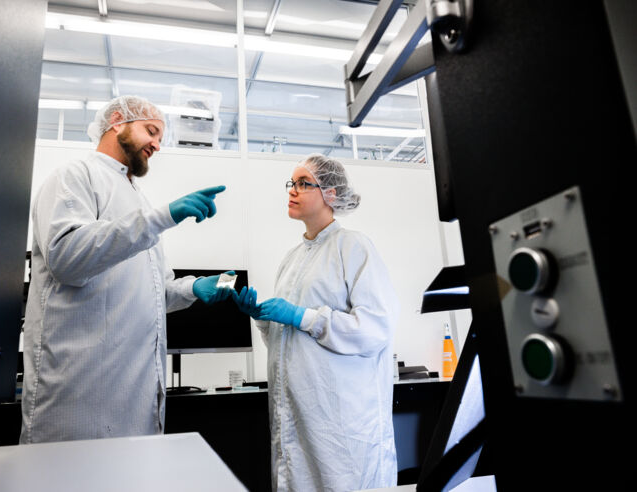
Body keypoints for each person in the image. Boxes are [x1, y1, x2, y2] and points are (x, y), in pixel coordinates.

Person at [21, 95, 233, 444]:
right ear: (117, 120)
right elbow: (68, 259)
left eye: (160, 137)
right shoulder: (74, 177)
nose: (156, 145)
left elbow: (153, 293)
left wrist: (191, 289)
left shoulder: (138, 199)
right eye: (151, 131)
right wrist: (162, 217)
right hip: (78, 390)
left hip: (135, 393)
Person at [233, 154, 399, 491]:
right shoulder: (293, 259)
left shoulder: (352, 246)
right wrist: (264, 319)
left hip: (342, 420)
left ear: (331, 194)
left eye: (304, 184)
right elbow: (292, 346)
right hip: (299, 415)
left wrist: (300, 316)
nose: (293, 191)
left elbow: (374, 329)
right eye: (291, 184)